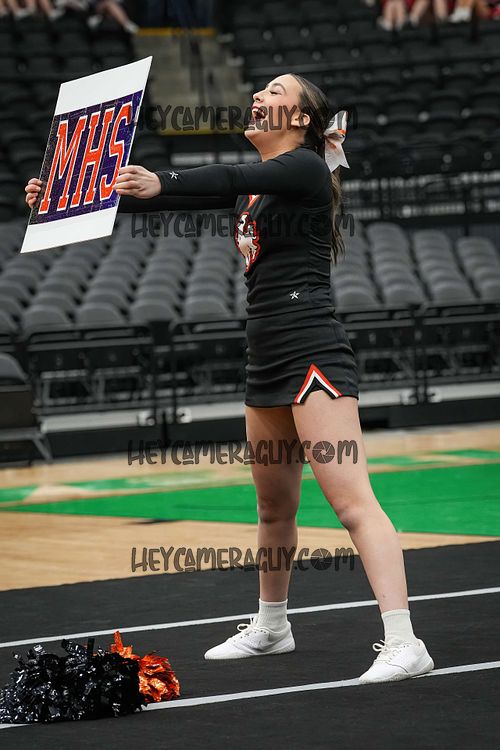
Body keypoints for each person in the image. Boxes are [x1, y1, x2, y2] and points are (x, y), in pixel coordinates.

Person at [25, 74, 434, 684]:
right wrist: (66, 195)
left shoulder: (304, 169)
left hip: (312, 352)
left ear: (302, 119)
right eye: (260, 89)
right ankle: (272, 626)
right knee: (273, 506)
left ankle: (405, 641)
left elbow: (221, 176)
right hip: (265, 356)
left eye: (275, 90)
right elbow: (165, 198)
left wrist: (162, 179)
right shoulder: (257, 190)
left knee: (352, 504)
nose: (259, 96)